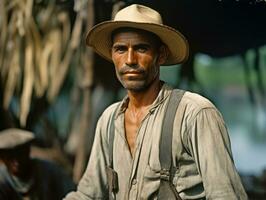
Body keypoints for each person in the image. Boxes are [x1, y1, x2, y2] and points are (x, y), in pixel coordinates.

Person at [64, 4, 248, 199]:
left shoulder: (195, 114)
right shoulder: (109, 120)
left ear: (161, 55)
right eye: (120, 49)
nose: (130, 59)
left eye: (141, 48)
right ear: (112, 55)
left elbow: (226, 195)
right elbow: (87, 194)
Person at [0, 128, 75, 200]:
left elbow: (72, 193)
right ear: (2, 158)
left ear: (27, 151)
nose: (16, 163)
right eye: (10, 158)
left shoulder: (50, 171)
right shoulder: (2, 179)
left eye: (20, 155)